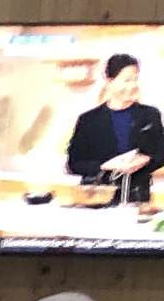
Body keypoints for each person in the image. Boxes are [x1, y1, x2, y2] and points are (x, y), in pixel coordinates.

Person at [61, 49, 163, 204]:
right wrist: (105, 165)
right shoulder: (89, 120)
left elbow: (161, 153)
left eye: (135, 79)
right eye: (127, 80)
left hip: (137, 198)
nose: (132, 85)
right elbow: (73, 164)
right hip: (97, 198)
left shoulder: (149, 115)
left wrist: (145, 160)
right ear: (110, 81)